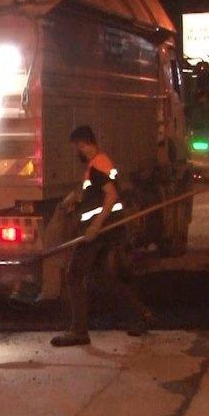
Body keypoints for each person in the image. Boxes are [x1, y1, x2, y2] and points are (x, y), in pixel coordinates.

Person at [51, 126, 152, 347]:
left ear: (84, 143)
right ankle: (139, 315)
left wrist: (95, 225)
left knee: (74, 275)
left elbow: (111, 195)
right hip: (107, 230)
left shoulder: (97, 165)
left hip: (98, 232)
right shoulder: (100, 163)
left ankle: (79, 331)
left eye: (77, 146)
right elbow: (94, 193)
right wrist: (73, 199)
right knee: (105, 277)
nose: (76, 150)